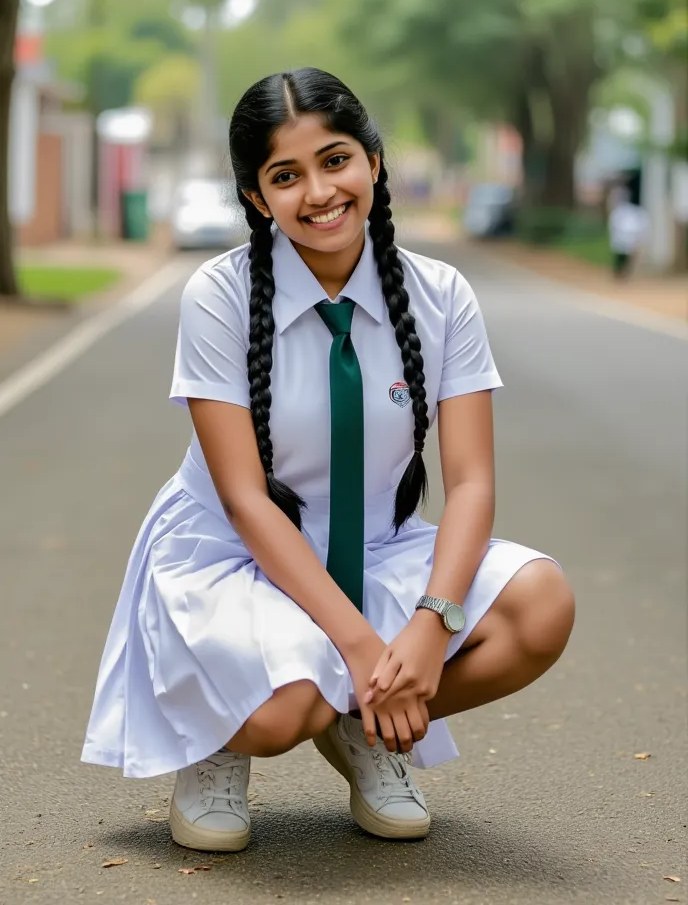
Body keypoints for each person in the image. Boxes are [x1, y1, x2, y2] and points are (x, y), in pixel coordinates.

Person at [82, 68, 575, 851]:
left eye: (336, 160)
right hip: (236, 558)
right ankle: (225, 742)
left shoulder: (441, 295)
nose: (318, 192)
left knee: (541, 603)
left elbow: (472, 481)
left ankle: (365, 728)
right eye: (286, 176)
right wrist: (360, 644)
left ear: (374, 161)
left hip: (375, 549)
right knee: (285, 707)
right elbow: (245, 500)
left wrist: (427, 626)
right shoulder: (221, 295)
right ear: (256, 198)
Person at [607, 185, 649, 279]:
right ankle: (618, 272)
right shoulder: (620, 211)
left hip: (629, 238)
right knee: (620, 256)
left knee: (628, 257)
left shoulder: (634, 212)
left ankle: (624, 273)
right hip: (621, 237)